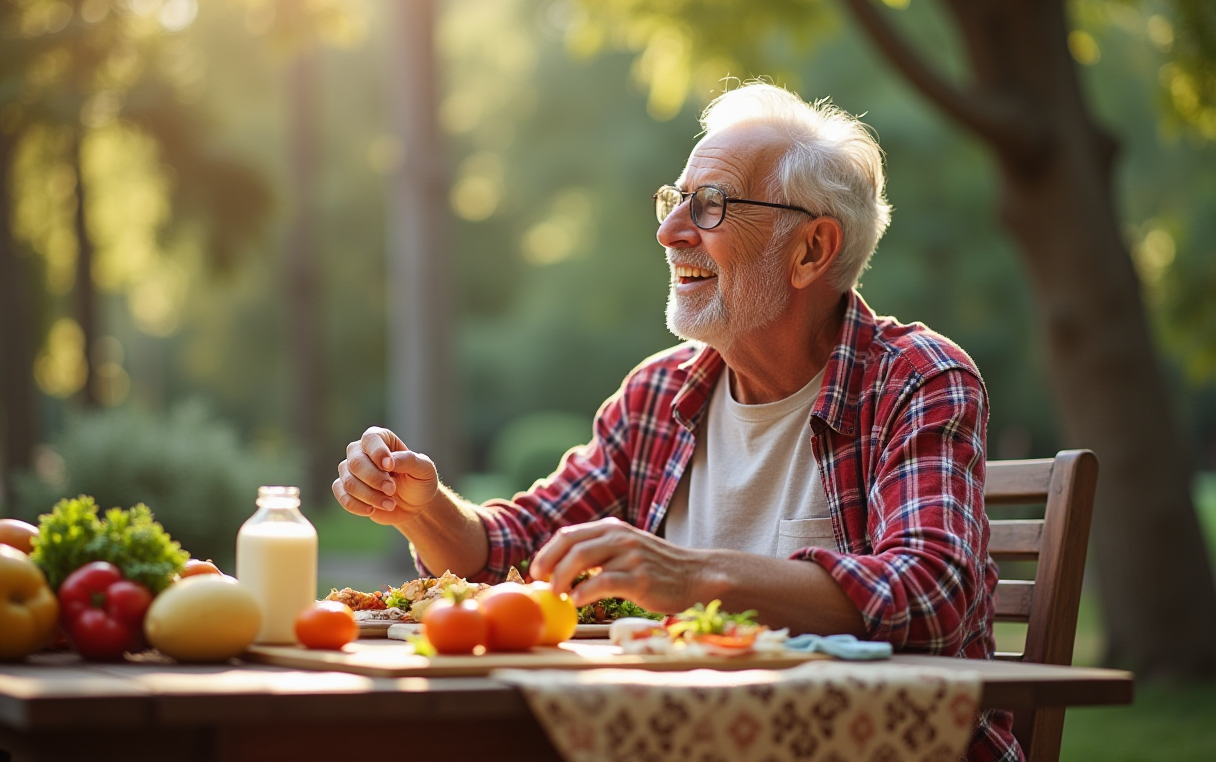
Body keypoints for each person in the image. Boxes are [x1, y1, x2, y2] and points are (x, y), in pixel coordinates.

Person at [333, 82, 1019, 761]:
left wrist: (696, 577)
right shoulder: (658, 394)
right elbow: (518, 549)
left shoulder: (916, 379)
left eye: (712, 206)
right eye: (675, 200)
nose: (668, 231)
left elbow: (934, 591)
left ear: (811, 249)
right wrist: (421, 509)